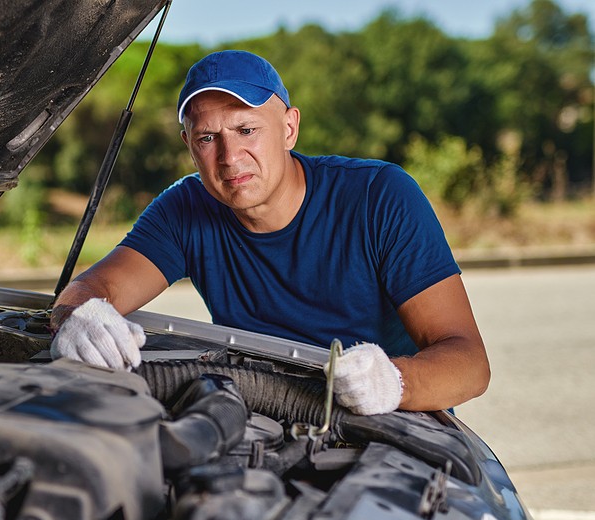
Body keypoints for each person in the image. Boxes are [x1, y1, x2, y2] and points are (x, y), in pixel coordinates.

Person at [50, 50, 489, 415]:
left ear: (289, 128)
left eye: (246, 129)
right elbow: (94, 287)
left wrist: (395, 381)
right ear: (189, 147)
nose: (229, 157)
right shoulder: (184, 209)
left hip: (385, 420)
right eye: (207, 138)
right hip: (259, 410)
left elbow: (469, 362)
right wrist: (79, 316)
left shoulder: (379, 195)